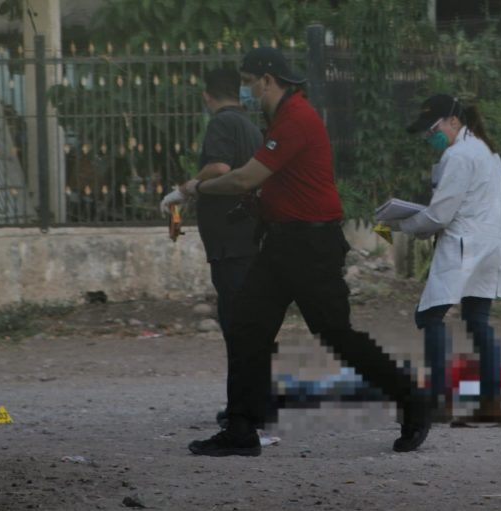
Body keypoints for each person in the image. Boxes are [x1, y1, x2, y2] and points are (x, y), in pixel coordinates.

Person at [178, 47, 431, 457]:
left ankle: (412, 401)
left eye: (247, 81)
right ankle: (242, 429)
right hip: (282, 242)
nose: (245, 90)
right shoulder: (281, 118)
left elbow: (245, 178)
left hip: (311, 245)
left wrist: (197, 188)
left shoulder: (296, 118)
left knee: (336, 335)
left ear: (267, 80)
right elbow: (277, 183)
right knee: (247, 328)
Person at [392, 94, 501, 425]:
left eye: (433, 128)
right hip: (491, 245)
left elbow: (440, 215)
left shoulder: (458, 155)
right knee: (478, 321)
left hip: (464, 245)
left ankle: (438, 401)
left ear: (454, 121)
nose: (429, 135)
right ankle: (491, 403)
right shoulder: (486, 149)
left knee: (430, 317)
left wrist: (398, 224)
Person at [160, 67, 263, 425]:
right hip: (248, 238)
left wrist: (188, 187)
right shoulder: (251, 127)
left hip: (231, 244)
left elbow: (219, 166)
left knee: (236, 325)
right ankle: (250, 403)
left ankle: (243, 410)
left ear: (207, 96)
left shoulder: (222, 124)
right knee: (247, 324)